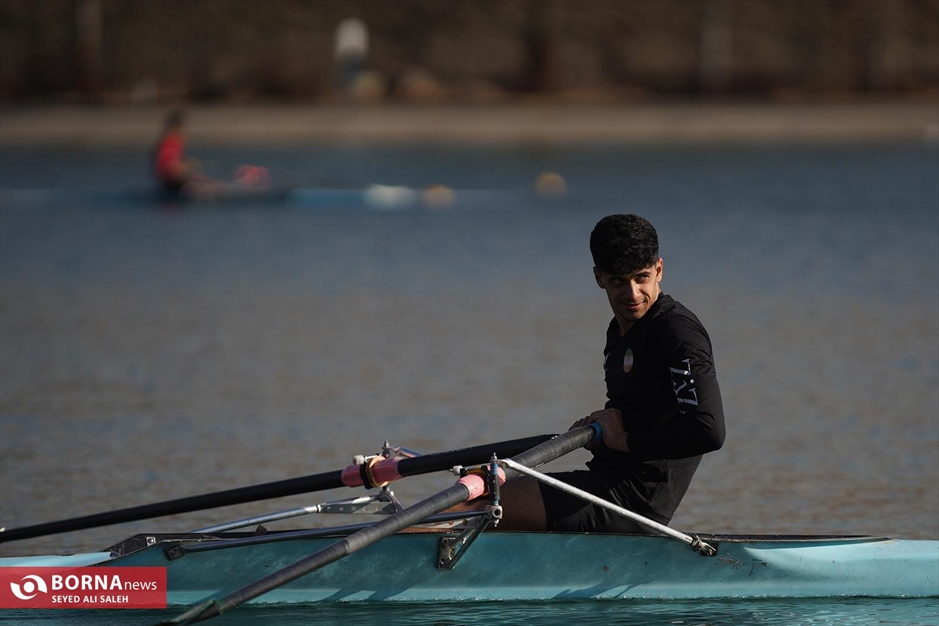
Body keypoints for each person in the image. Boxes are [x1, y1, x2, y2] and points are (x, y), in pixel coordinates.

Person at [493, 214, 726, 533]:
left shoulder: (676, 332)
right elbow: (640, 409)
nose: (632, 294)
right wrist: (601, 430)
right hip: (606, 480)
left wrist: (624, 441)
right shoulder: (619, 331)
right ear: (599, 277)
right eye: (618, 281)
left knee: (485, 508)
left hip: (635, 503)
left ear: (659, 269)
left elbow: (708, 431)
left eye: (641, 277)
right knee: (478, 495)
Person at [152, 109, 269, 199]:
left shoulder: (164, 143)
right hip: (177, 187)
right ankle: (246, 185)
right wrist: (188, 166)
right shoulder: (171, 143)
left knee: (210, 182)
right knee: (215, 185)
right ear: (177, 128)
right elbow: (171, 169)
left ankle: (242, 185)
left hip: (174, 186)